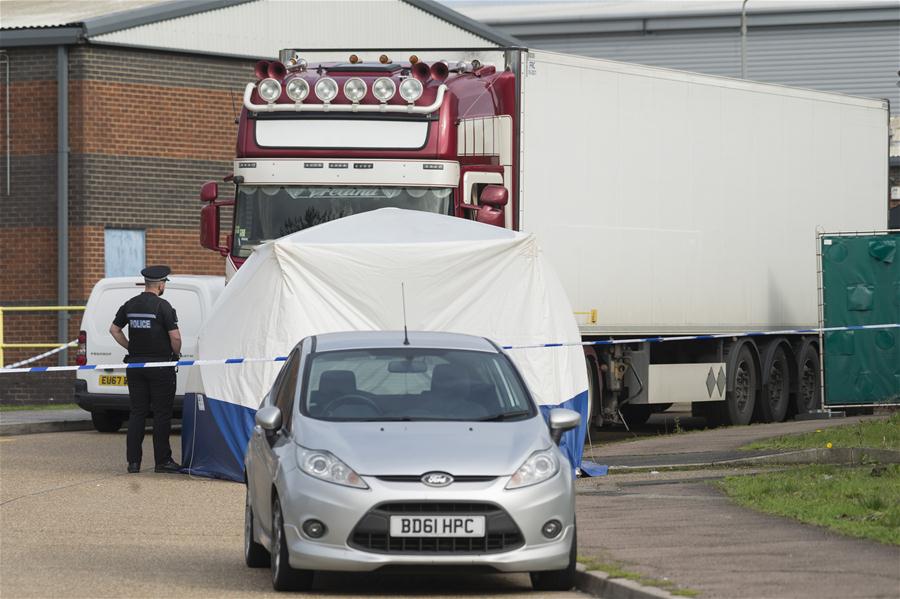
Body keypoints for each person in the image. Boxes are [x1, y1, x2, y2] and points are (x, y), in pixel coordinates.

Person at [109, 265, 182, 474]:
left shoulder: (130, 304)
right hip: (160, 366)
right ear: (160, 285)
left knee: (138, 412)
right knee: (161, 414)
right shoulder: (163, 306)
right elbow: (175, 337)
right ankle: (162, 461)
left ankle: (133, 463)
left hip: (135, 365)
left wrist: (130, 347)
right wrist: (175, 354)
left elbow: (114, 329)